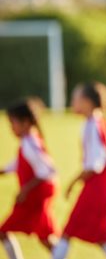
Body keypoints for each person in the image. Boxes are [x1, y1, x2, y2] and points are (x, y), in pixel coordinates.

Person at [52, 83, 106, 259]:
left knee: (69, 231)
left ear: (87, 102)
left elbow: (95, 164)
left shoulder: (94, 125)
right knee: (101, 238)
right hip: (101, 188)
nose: (73, 103)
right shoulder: (97, 122)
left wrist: (73, 182)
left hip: (97, 189)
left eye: (75, 99)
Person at [0, 99, 57, 259]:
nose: (11, 128)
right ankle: (61, 254)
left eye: (13, 123)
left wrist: (24, 191)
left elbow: (46, 170)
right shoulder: (29, 141)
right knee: (44, 236)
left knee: (3, 231)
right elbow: (17, 164)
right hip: (38, 194)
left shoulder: (30, 143)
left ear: (25, 123)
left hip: (36, 195)